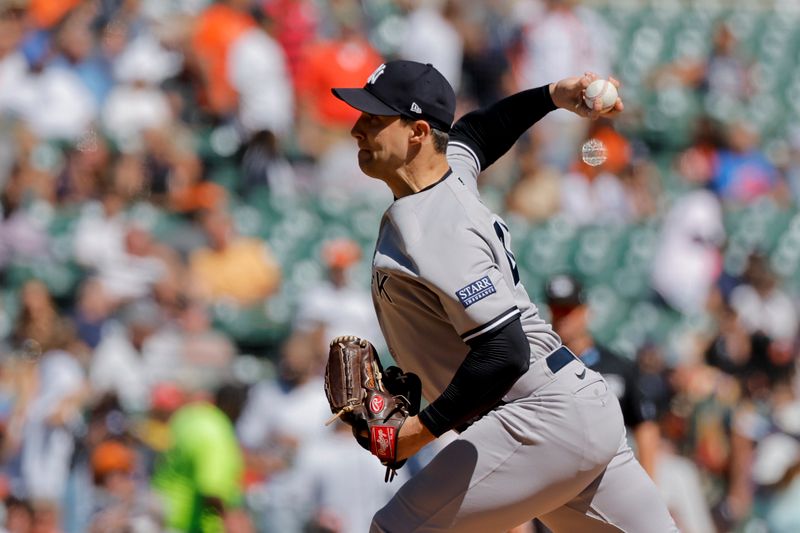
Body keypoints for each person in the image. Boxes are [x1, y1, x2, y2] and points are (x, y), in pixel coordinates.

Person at [331, 60, 676, 531]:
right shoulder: (449, 171)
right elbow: (478, 132)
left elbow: (504, 350)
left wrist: (417, 431)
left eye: (374, 119)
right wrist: (552, 94)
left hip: (536, 418)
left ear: (416, 133)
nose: (357, 129)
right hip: (575, 404)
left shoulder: (437, 226)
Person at [544, 274, 661, 477]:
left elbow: (645, 427)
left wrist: (649, 482)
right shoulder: (540, 366)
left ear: (585, 311)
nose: (562, 318)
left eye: (568, 310)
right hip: (558, 471)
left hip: (611, 472)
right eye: (556, 310)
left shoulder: (618, 367)